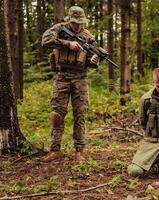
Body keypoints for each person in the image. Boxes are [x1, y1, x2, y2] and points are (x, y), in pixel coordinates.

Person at [41, 6, 101, 162]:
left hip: (80, 78)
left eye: (81, 23)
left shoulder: (88, 36)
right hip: (62, 77)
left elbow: (92, 61)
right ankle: (55, 150)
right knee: (57, 114)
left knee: (80, 114)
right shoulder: (59, 29)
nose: (78, 26)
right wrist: (68, 44)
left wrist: (94, 61)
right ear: (70, 20)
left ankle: (79, 150)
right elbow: (45, 40)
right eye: (75, 23)